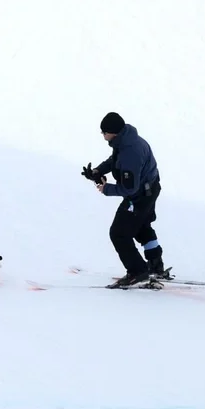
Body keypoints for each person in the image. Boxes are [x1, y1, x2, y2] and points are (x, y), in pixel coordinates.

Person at [84, 112, 166, 288]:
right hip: (149, 189)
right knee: (141, 226)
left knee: (119, 233)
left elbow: (130, 188)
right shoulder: (125, 140)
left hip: (140, 195)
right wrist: (98, 171)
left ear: (112, 132)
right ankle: (155, 265)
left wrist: (106, 189)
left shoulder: (130, 152)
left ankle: (138, 271)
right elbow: (114, 160)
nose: (102, 135)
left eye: (104, 132)